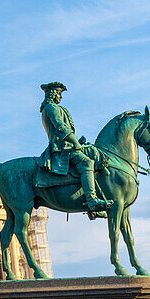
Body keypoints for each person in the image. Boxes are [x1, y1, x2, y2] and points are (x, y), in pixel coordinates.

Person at [39, 82, 113, 212]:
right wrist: (76, 143)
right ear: (53, 94)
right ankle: (92, 200)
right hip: (62, 149)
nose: (60, 97)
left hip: (66, 145)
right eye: (59, 94)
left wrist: (77, 141)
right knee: (87, 163)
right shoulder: (51, 108)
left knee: (92, 153)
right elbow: (61, 127)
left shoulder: (51, 108)